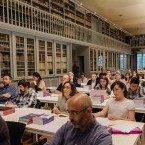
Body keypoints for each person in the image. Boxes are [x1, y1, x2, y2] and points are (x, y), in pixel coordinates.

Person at [45, 93, 112, 145]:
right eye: (69, 112)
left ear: (88, 111)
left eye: (74, 113)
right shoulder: (68, 126)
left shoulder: (102, 137)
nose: (70, 118)